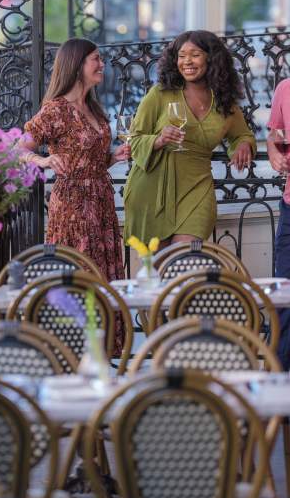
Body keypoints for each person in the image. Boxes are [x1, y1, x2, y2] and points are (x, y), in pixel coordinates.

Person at [123, 30, 256, 246]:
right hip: (152, 188)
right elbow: (134, 139)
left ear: (211, 58)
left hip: (197, 187)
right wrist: (158, 139)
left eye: (195, 54)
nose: (187, 62)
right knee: (162, 268)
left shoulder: (224, 101)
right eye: (181, 56)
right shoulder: (160, 94)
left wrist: (242, 145)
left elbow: (242, 134)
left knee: (185, 258)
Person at [20, 37, 130, 283]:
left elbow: (89, 161)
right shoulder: (55, 110)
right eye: (96, 59)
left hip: (101, 200)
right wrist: (44, 160)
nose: (102, 64)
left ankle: (106, 321)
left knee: (103, 274)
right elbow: (20, 148)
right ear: (77, 64)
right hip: (73, 206)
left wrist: (113, 157)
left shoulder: (93, 108)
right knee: (80, 272)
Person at [266, 76, 290, 368]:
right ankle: (282, 386)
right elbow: (275, 134)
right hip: (289, 206)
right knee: (284, 298)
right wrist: (273, 149)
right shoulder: (285, 87)